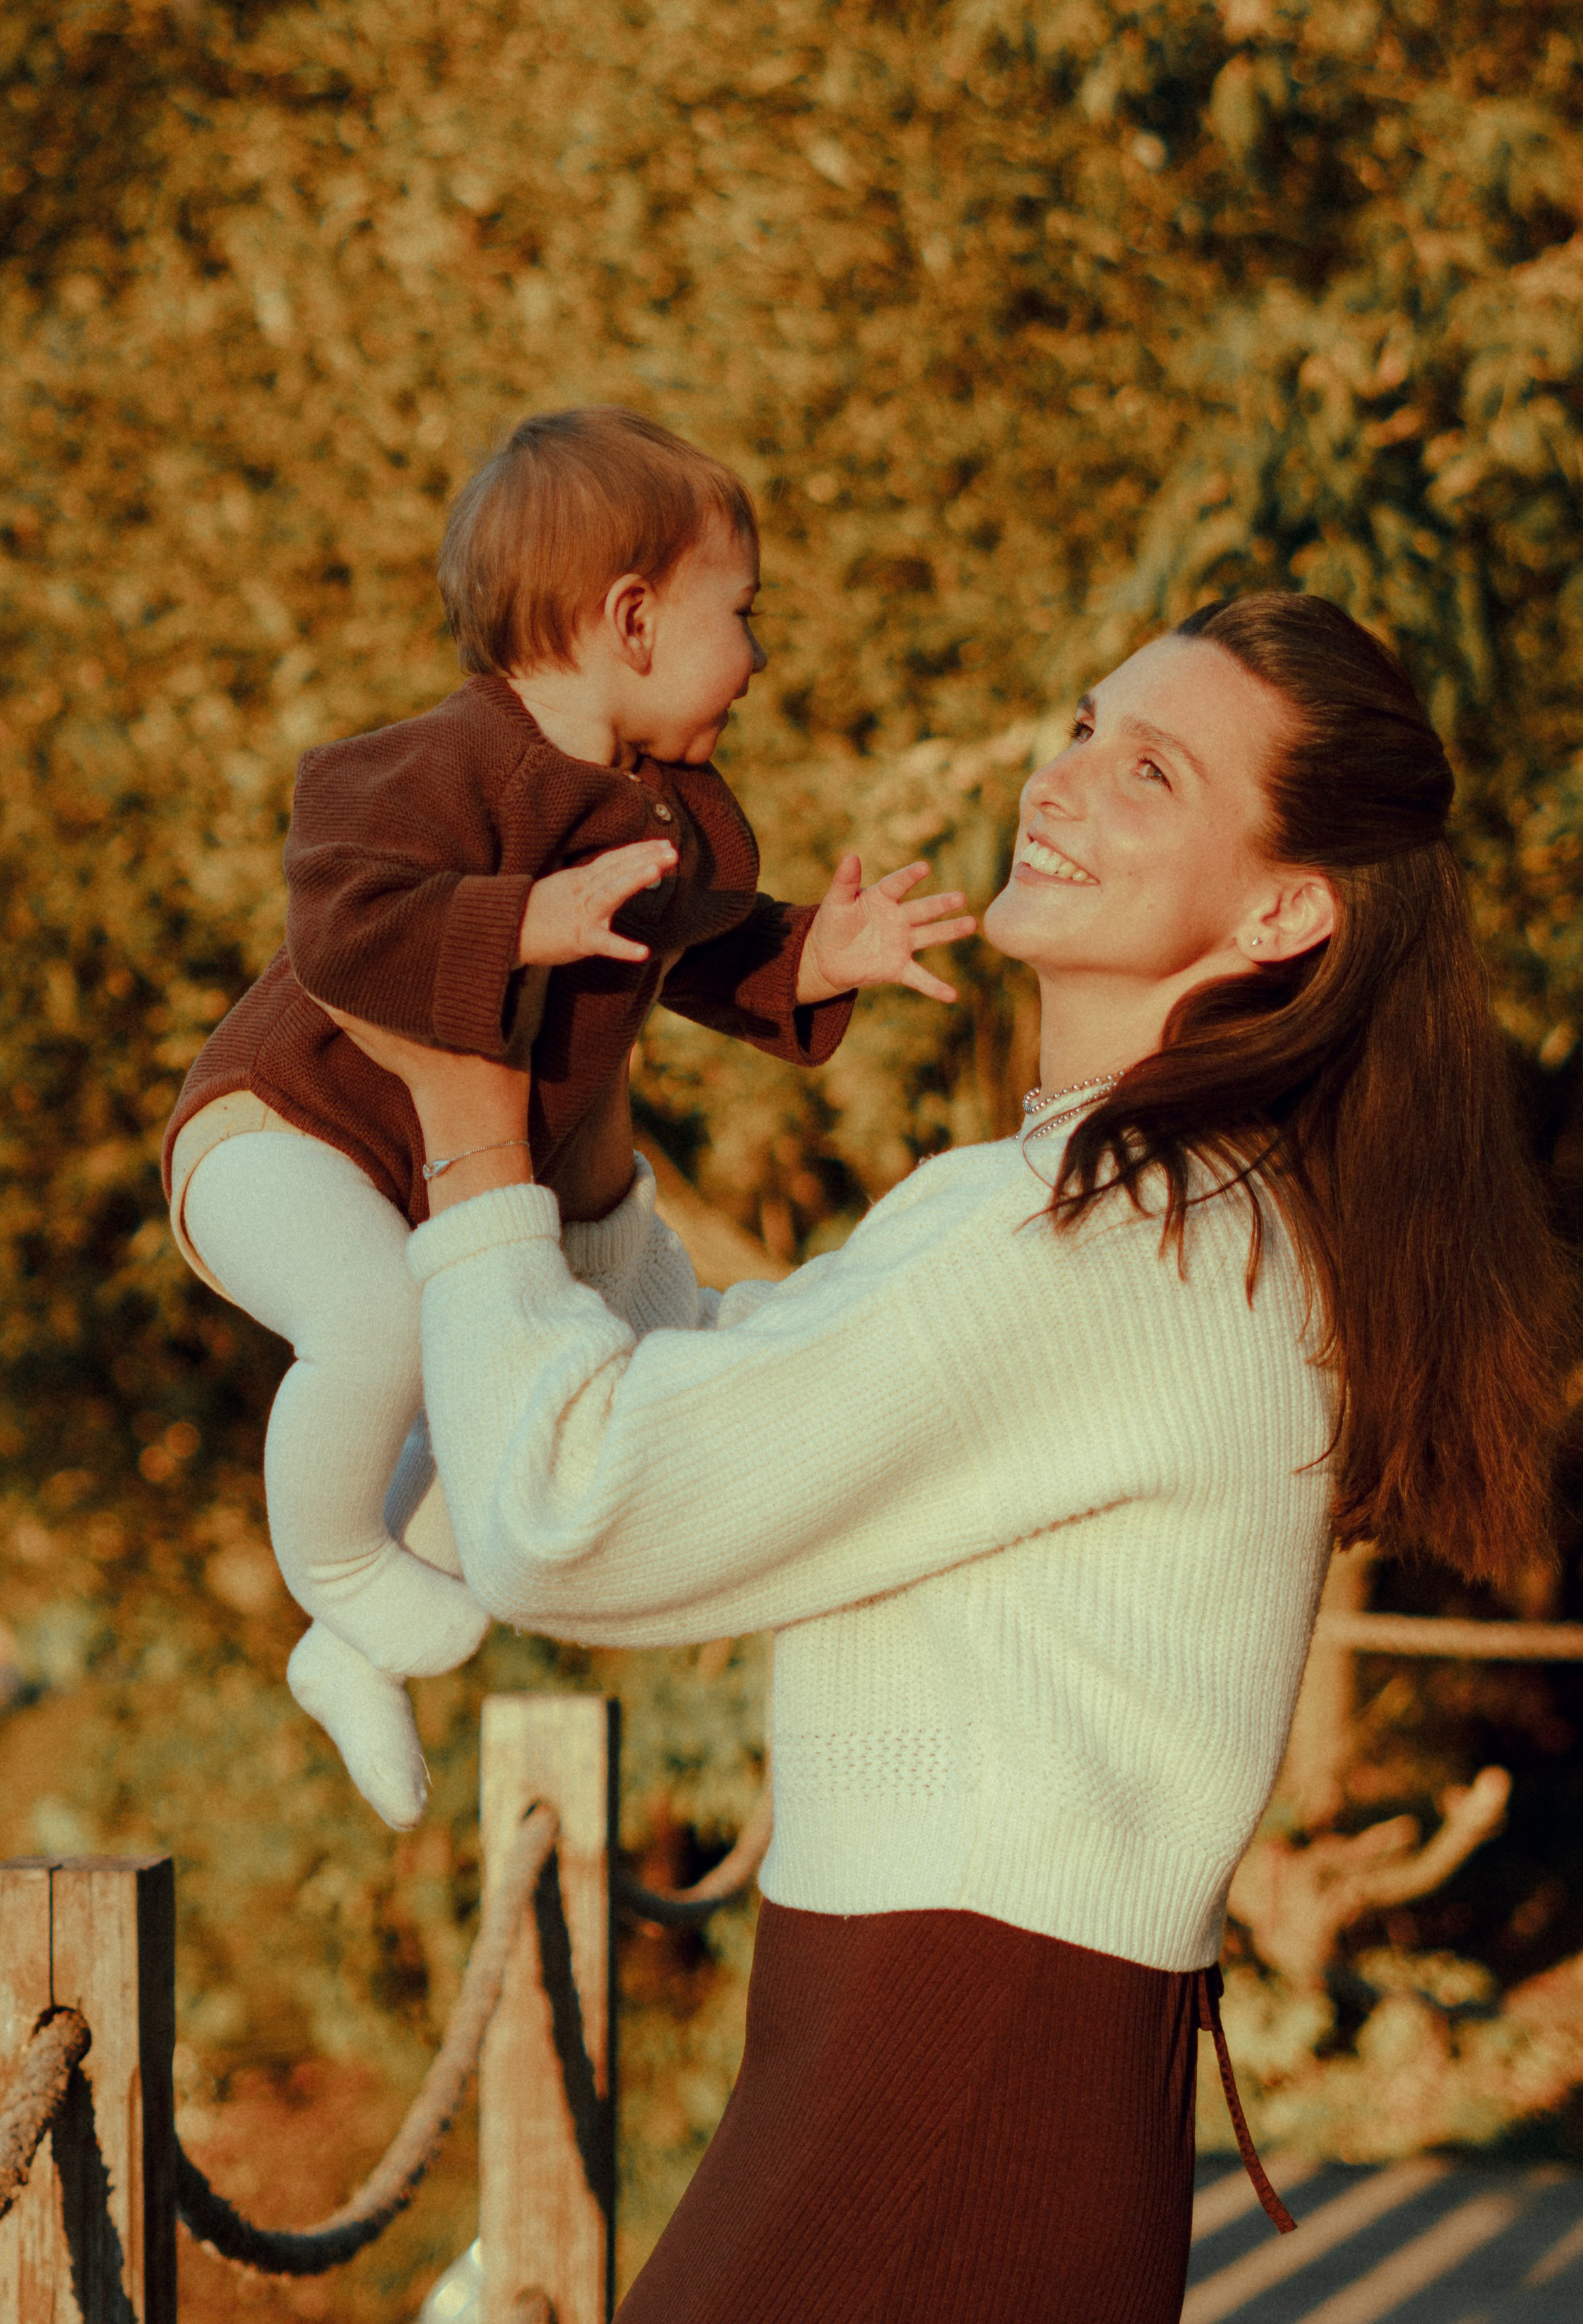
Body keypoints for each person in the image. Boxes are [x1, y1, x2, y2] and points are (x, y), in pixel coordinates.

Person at [325, 592, 1567, 2322]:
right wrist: (576, 1126)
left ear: (1286, 909)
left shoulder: (1113, 1239)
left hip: (941, 2096)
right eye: (1078, 729)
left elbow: (565, 1516)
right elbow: (715, 1403)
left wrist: (468, 1129)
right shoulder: (1138, 1207)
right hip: (947, 2085)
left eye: (1148, 772)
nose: (1060, 785)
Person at [162, 407, 973, 1829]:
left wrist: (812, 961)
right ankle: (338, 1565)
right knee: (380, 1328)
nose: (762, 656)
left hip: (427, 1178)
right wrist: (516, 918)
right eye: (744, 615)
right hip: (274, 1137)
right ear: (634, 619)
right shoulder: (432, 765)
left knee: (504, 1428)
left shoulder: (671, 817)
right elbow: (344, 929)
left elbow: (697, 946)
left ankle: (341, 1652)